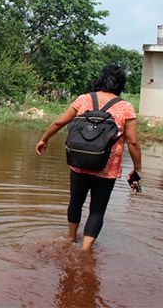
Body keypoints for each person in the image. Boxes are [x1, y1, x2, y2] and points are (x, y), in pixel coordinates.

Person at [35, 65, 142, 251]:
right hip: (107, 167)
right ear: (120, 85)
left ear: (100, 80)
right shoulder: (125, 107)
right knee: (97, 210)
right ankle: (85, 250)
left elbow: (60, 121)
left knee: (75, 202)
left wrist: (44, 139)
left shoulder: (83, 99)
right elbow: (133, 142)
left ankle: (70, 239)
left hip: (79, 162)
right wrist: (137, 168)